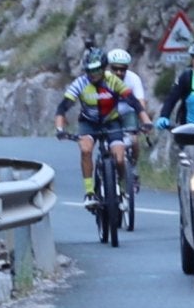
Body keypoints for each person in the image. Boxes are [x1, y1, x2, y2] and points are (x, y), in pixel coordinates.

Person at [54, 50, 153, 207]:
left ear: (104, 68)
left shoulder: (113, 81)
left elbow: (134, 102)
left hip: (111, 122)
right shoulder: (80, 83)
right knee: (86, 150)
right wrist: (60, 129)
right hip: (89, 123)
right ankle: (89, 193)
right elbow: (62, 108)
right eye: (90, 71)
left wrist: (146, 121)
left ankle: (122, 190)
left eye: (97, 70)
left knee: (120, 158)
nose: (94, 74)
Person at [105, 48, 152, 182]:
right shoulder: (103, 79)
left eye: (123, 69)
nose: (119, 72)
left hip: (128, 111)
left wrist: (143, 121)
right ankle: (106, 166)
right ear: (109, 67)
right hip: (109, 113)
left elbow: (140, 102)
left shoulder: (133, 79)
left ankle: (133, 167)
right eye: (115, 69)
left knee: (134, 140)